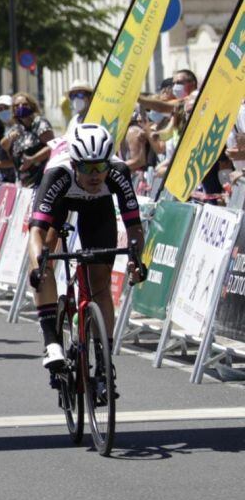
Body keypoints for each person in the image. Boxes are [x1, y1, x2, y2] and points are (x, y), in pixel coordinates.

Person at [26, 124, 145, 376]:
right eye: (86, 168)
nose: (94, 175)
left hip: (98, 207)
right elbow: (35, 231)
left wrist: (137, 259)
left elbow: (134, 226)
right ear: (74, 163)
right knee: (45, 256)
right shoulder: (58, 173)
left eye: (100, 167)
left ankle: (104, 360)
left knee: (99, 282)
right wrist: (38, 266)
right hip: (60, 200)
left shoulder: (118, 173)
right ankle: (52, 342)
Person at [1, 93, 55, 188]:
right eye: (16, 106)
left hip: (41, 180)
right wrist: (10, 138)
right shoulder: (17, 127)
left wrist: (32, 159)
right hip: (23, 182)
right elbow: (3, 145)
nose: (20, 107)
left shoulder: (39, 123)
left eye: (24, 104)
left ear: (32, 106)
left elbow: (52, 146)